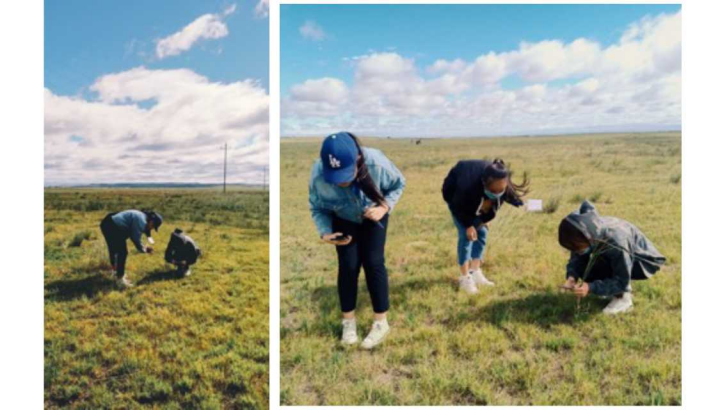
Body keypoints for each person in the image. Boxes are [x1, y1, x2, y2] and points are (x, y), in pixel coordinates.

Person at [309, 132, 406, 349]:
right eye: (335, 177)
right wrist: (325, 232)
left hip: (374, 214)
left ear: (358, 161)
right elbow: (318, 207)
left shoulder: (377, 162)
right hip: (343, 218)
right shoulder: (317, 175)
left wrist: (384, 207)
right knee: (348, 266)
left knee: (373, 263)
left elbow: (399, 184)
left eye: (346, 174)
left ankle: (381, 323)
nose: (342, 182)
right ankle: (348, 323)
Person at [558, 200, 666, 314]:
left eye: (579, 247)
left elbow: (621, 280)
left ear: (589, 238)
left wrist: (591, 287)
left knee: (618, 274)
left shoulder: (617, 241)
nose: (577, 250)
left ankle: (623, 298)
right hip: (608, 251)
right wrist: (571, 276)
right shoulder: (585, 232)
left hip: (642, 260)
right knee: (585, 267)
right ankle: (607, 289)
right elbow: (577, 257)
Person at [442, 158, 529, 294]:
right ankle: (465, 278)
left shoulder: (502, 182)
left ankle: (475, 271)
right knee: (467, 237)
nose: (499, 193)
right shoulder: (467, 186)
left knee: (482, 232)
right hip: (455, 198)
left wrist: (534, 205)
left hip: (476, 198)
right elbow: (457, 206)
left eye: (502, 189)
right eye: (494, 191)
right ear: (485, 185)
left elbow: (516, 200)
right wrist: (469, 225)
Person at [99, 209, 163, 288]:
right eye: (153, 226)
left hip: (107, 223)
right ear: (152, 221)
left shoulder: (142, 216)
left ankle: (115, 271)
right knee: (123, 252)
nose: (152, 228)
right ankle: (120, 279)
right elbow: (135, 238)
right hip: (113, 226)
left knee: (114, 249)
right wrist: (144, 249)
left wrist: (147, 241)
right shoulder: (141, 220)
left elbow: (143, 231)